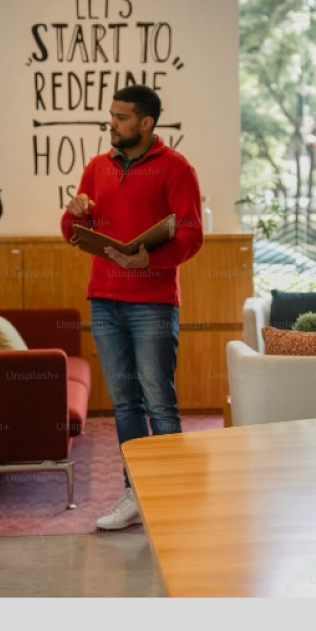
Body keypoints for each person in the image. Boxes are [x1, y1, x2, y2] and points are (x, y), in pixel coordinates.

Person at [61, 85, 203, 529]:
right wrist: (77, 212)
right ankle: (134, 493)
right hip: (104, 300)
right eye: (111, 116)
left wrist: (151, 259)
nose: (112, 124)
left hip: (153, 304)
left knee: (159, 402)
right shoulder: (96, 168)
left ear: (146, 123)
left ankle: (170, 495)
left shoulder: (177, 169)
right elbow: (70, 230)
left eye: (121, 117)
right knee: (124, 404)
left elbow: (191, 234)